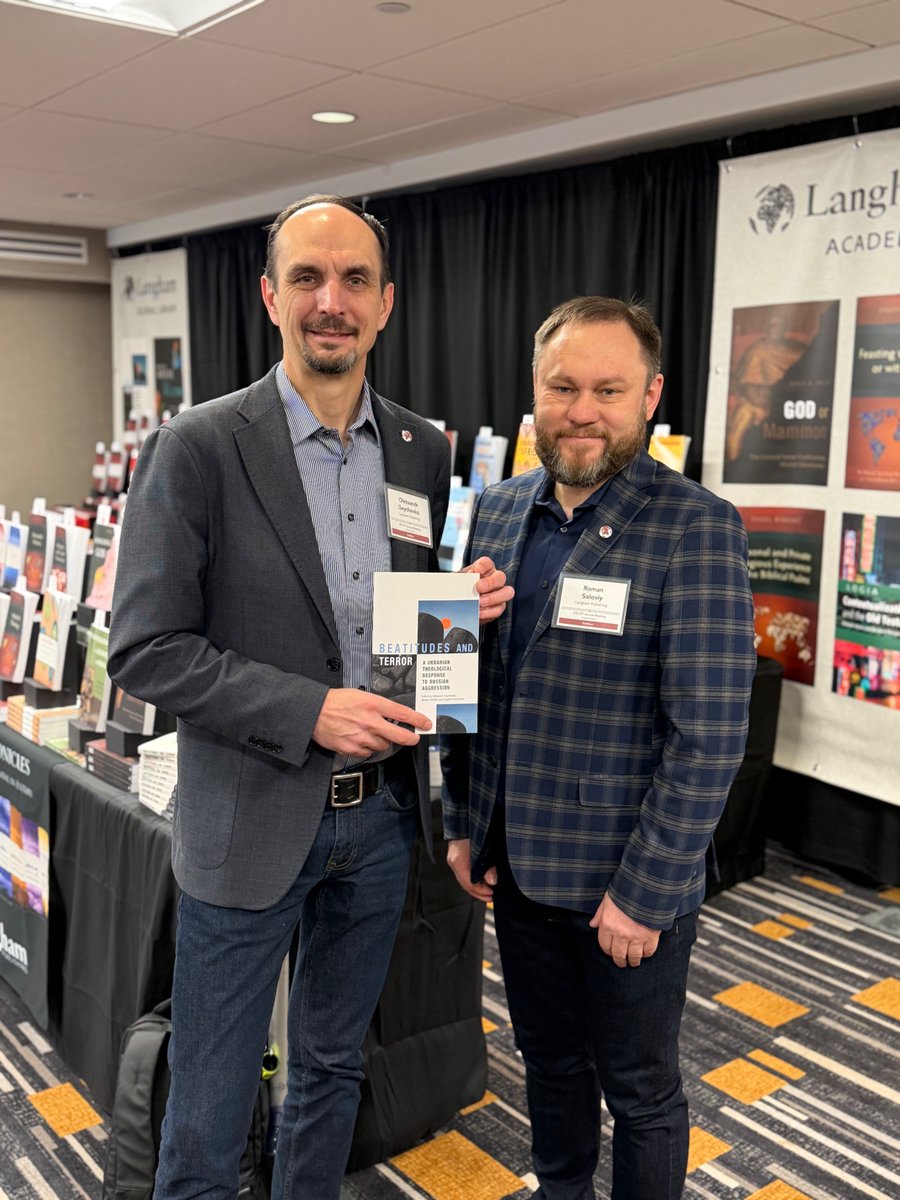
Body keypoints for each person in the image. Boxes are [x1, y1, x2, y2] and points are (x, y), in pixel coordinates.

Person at [108, 194, 512, 1200]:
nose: (332, 301)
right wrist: (309, 710)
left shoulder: (424, 449)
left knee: (332, 1071)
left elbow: (390, 649)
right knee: (208, 1103)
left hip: (379, 828)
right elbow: (146, 651)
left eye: (355, 281)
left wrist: (455, 616)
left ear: (385, 305)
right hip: (246, 822)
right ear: (269, 297)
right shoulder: (197, 447)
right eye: (308, 278)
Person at [442, 296, 756, 1200]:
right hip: (514, 865)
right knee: (547, 1061)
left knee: (642, 1090)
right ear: (533, 391)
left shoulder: (697, 526)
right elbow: (457, 686)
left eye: (608, 389)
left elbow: (709, 736)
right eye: (563, 386)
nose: (582, 410)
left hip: (625, 886)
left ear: (650, 395)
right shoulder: (497, 510)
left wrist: (645, 896)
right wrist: (463, 823)